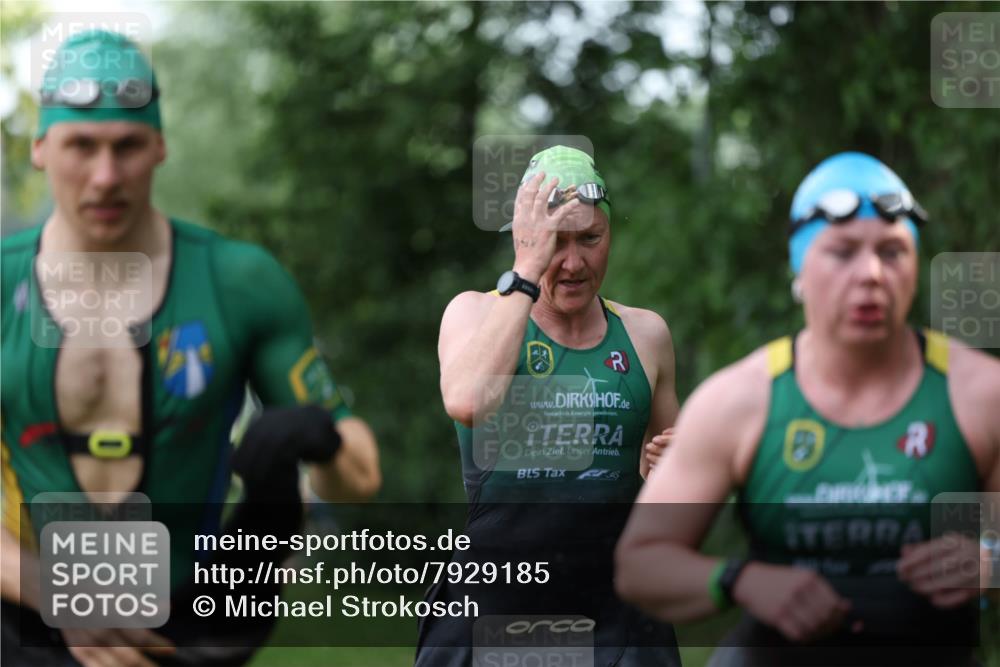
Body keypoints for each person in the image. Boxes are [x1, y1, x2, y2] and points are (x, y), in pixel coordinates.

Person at [0, 30, 381, 667]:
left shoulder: (240, 281)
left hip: (185, 622)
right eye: (80, 146)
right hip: (27, 615)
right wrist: (56, 593)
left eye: (126, 147)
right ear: (41, 149)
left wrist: (315, 436)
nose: (104, 176)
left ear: (159, 147)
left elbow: (360, 479)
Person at [615, 152, 1000, 665]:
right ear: (800, 268)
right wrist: (741, 580)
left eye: (892, 251)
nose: (871, 274)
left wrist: (990, 562)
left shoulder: (979, 394)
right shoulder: (741, 400)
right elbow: (640, 565)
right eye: (842, 252)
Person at [417, 146, 681, 666]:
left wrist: (676, 471)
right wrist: (525, 272)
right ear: (525, 239)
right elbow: (469, 400)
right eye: (556, 241)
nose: (575, 262)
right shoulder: (473, 314)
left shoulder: (645, 335)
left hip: (617, 611)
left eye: (591, 238)